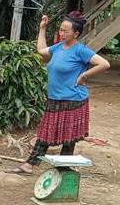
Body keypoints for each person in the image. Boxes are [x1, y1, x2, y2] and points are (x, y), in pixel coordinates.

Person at [10, 12, 110, 174]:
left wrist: (84, 76)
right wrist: (42, 28)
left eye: (65, 31)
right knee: (46, 131)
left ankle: (57, 167)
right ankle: (33, 165)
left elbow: (104, 64)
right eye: (60, 30)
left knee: (68, 137)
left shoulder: (80, 50)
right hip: (54, 98)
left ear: (76, 33)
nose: (61, 33)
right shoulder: (58, 47)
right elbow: (42, 50)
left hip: (73, 99)